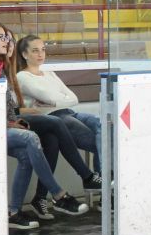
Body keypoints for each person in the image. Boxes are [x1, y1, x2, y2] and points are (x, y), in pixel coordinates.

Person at [0, 24, 86, 228]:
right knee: (46, 128)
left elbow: (11, 107)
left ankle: (17, 210)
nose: (8, 43)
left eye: (10, 39)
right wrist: (20, 115)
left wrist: (18, 116)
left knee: (49, 140)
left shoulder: (5, 69)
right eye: (2, 38)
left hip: (11, 122)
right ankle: (60, 193)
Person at [15, 34, 103, 176]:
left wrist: (56, 101)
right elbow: (49, 98)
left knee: (101, 126)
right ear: (25, 54)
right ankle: (98, 179)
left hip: (69, 112)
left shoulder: (50, 73)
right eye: (35, 50)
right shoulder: (22, 77)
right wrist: (58, 99)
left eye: (43, 49)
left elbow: (74, 98)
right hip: (53, 117)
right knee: (99, 143)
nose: (40, 54)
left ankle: (102, 178)